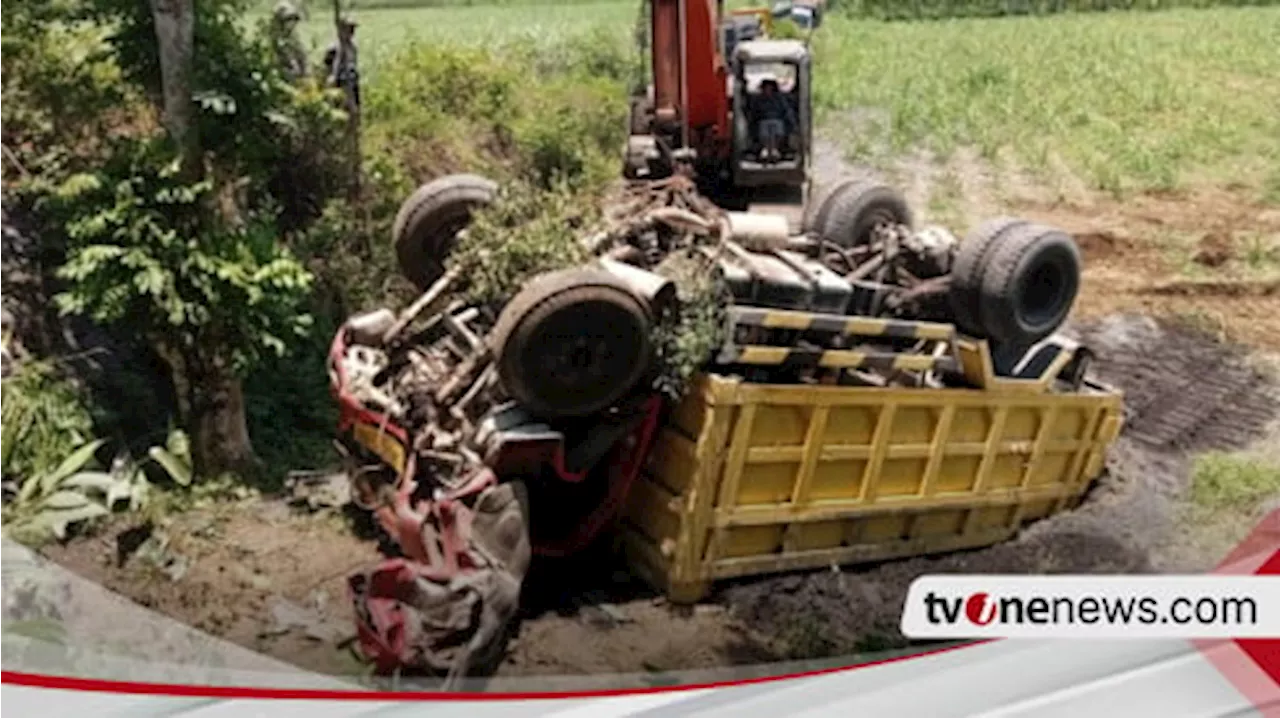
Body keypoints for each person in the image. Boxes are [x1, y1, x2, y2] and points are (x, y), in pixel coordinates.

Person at [752, 76, 798, 163]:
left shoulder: (780, 99)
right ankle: (765, 148)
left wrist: (792, 123)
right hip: (763, 120)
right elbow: (754, 112)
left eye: (769, 88)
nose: (767, 90)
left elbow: (786, 110)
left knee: (777, 128)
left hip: (778, 120)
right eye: (765, 88)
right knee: (764, 129)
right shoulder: (758, 99)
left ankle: (775, 148)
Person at [323, 17, 361, 112]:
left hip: (352, 81)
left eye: (352, 30)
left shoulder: (352, 47)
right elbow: (328, 67)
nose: (351, 33)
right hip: (340, 81)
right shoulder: (334, 48)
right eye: (349, 29)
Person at [270, 2, 308, 83]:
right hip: (283, 69)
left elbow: (302, 53)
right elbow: (285, 54)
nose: (292, 23)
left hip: (297, 69)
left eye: (294, 19)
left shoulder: (293, 37)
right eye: (289, 19)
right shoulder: (278, 38)